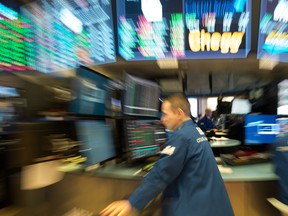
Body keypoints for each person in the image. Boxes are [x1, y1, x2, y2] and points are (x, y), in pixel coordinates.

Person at [99, 94, 234, 216]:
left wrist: (132, 202)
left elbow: (161, 174)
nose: (162, 119)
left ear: (179, 113)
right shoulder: (195, 130)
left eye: (165, 114)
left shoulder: (181, 137)